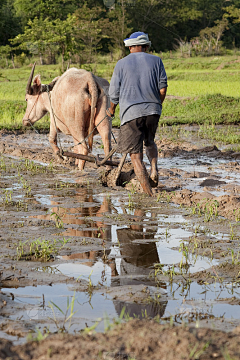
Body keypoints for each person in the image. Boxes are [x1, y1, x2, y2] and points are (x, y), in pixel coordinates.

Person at [107, 31, 168, 196]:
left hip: (131, 113)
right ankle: (154, 168)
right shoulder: (157, 60)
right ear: (146, 46)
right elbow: (162, 88)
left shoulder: (121, 64)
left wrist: (111, 109)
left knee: (135, 156)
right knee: (149, 142)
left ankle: (149, 194)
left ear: (130, 48)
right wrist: (156, 105)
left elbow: (114, 93)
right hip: (153, 110)